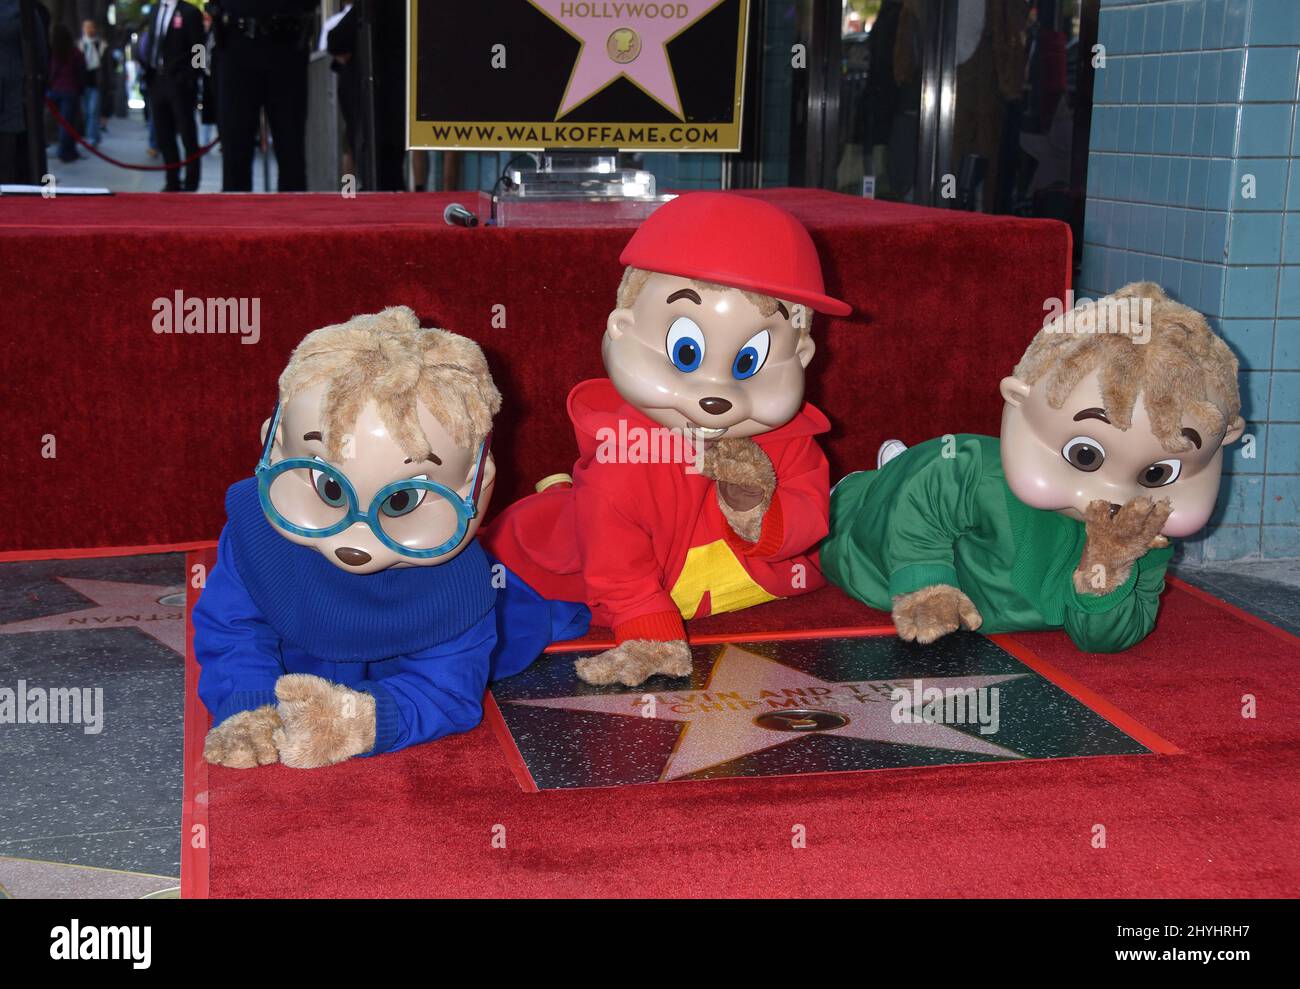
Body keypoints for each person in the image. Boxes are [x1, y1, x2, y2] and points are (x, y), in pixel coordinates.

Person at [209, 1, 316, 192]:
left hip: (287, 41)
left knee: (291, 148)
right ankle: (236, 218)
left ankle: (293, 217)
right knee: (235, 150)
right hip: (236, 41)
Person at [143, 0, 205, 191]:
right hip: (157, 80)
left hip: (180, 82)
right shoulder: (154, 10)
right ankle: (172, 180)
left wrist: (192, 76)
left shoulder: (190, 12)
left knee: (187, 132)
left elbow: (199, 48)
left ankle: (191, 181)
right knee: (164, 133)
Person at [0, 0, 49, 183]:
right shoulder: (21, 9)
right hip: (13, 96)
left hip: (11, 95)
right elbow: (39, 54)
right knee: (7, 163)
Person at [46, 23, 83, 164]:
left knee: (63, 122)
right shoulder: (74, 52)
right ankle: (64, 151)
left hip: (55, 90)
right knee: (67, 123)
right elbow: (81, 69)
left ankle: (67, 149)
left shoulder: (52, 52)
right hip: (69, 90)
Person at [78, 19, 105, 145]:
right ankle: (95, 135)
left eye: (91, 27)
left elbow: (106, 66)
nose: (88, 30)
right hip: (83, 83)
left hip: (96, 82)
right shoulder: (79, 45)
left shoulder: (101, 44)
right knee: (87, 111)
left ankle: (91, 137)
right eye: (86, 27)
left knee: (93, 110)